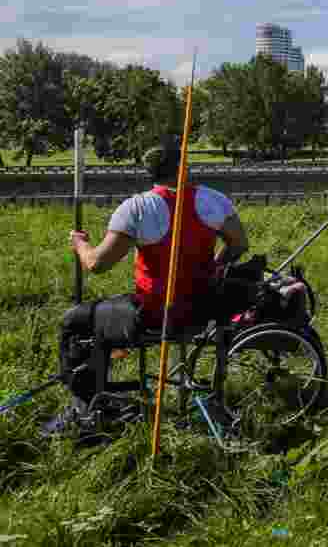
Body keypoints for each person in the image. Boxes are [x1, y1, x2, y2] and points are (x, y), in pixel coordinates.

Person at [43, 136, 249, 437]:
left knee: (76, 321)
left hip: (154, 314)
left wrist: (80, 244)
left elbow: (97, 264)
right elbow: (239, 244)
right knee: (101, 315)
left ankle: (85, 411)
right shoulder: (214, 201)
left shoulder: (137, 207)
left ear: (149, 171)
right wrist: (213, 269)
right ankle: (101, 402)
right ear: (183, 167)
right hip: (201, 310)